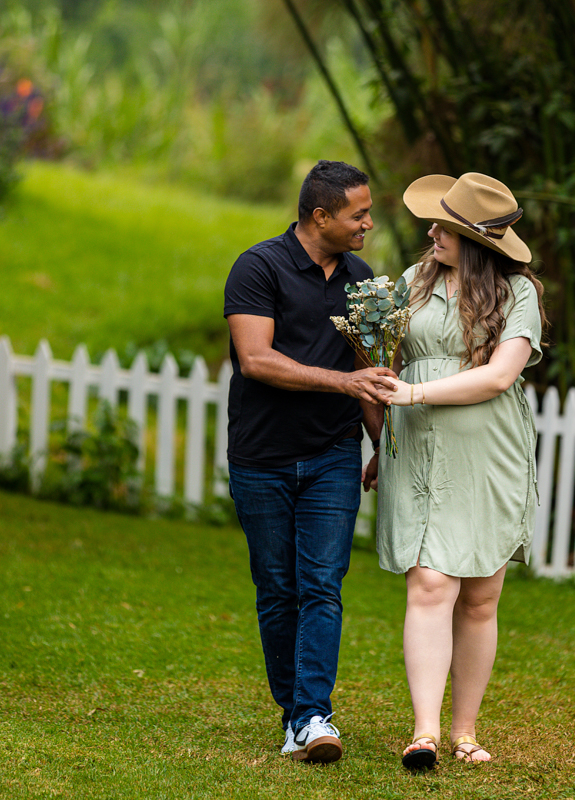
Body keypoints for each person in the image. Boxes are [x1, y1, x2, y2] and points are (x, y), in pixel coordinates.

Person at [224, 160, 395, 763]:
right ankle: (296, 711)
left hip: (332, 457)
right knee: (277, 589)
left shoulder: (363, 279)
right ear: (320, 216)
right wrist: (342, 385)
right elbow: (256, 360)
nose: (368, 223)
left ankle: (313, 716)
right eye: (359, 214)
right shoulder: (258, 267)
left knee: (322, 584)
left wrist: (379, 444)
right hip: (261, 458)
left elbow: (368, 374)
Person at [375, 172, 548, 768]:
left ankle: (465, 731)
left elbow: (501, 376)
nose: (430, 232)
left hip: (487, 448)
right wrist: (383, 435)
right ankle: (423, 732)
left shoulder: (516, 293)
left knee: (480, 594)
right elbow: (385, 361)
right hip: (419, 444)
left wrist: (417, 396)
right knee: (429, 581)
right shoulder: (414, 283)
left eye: (444, 225)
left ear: (474, 239)